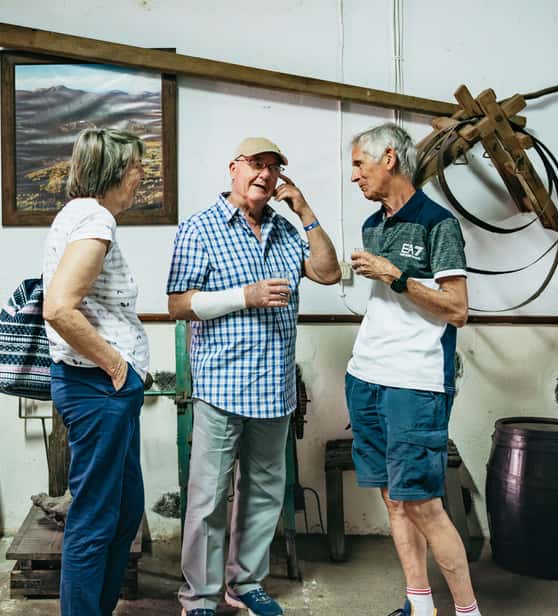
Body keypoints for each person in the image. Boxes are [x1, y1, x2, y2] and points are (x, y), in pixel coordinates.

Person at [167, 137, 341, 616]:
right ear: (233, 168)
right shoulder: (199, 228)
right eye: (255, 164)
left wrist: (306, 211)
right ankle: (199, 598)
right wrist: (244, 296)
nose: (264, 174)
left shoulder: (286, 230)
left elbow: (328, 272)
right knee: (208, 498)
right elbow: (178, 304)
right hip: (221, 387)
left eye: (272, 167)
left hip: (274, 389)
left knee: (264, 492)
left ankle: (244, 584)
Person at [344, 121, 481, 616]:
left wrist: (395, 275)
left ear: (389, 159)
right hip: (366, 375)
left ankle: (467, 612)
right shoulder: (373, 225)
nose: (354, 176)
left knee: (424, 503)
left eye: (359, 164)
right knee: (394, 500)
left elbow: (457, 309)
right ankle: (420, 607)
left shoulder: (437, 224)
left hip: (415, 383)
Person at [41, 127, 150, 616]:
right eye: (136, 167)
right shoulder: (94, 219)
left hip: (104, 388)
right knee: (95, 518)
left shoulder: (83, 216)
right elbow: (59, 308)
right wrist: (116, 364)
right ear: (114, 172)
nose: (142, 175)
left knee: (124, 510)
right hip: (98, 387)